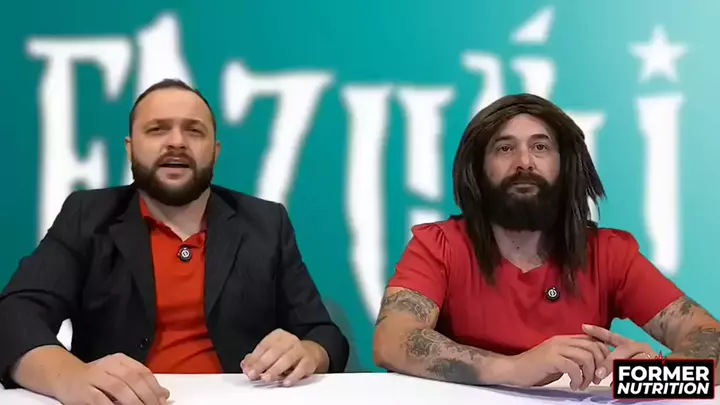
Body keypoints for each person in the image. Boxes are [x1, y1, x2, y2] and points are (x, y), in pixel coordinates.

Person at [0, 79, 349, 404]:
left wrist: (307, 352)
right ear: (130, 147)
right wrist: (71, 377)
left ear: (215, 151)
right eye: (157, 129)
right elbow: (14, 315)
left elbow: (323, 334)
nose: (177, 142)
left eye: (194, 131)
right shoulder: (87, 216)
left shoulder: (266, 222)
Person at [372, 93, 720, 391]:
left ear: (566, 166)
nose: (524, 162)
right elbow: (391, 340)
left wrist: (646, 379)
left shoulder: (609, 254)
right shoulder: (440, 246)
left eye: (540, 147)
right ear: (478, 169)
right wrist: (514, 369)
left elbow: (708, 336)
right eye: (505, 148)